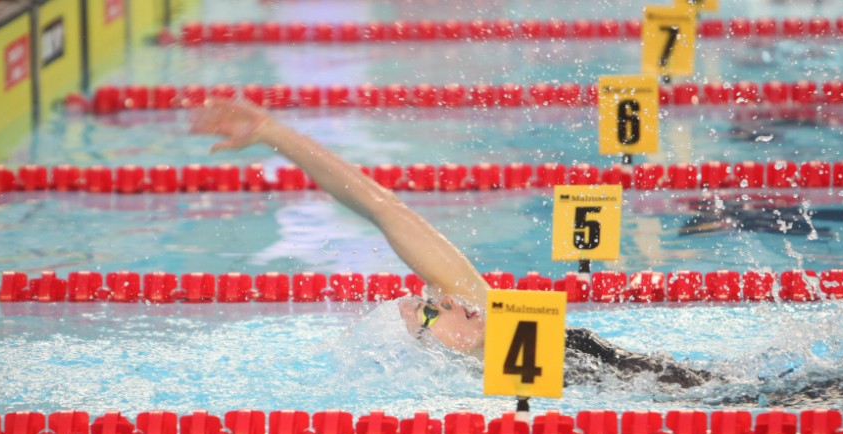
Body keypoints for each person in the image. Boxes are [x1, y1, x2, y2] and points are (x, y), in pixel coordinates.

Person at [190, 100, 710, 389]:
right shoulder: (483, 387)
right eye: (429, 312)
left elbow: (383, 208)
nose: (445, 298)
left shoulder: (497, 326)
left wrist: (274, 132)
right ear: (428, 356)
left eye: (431, 297)